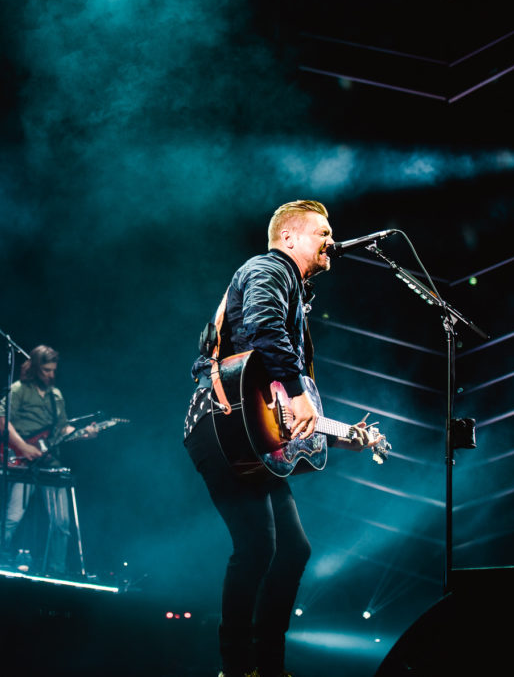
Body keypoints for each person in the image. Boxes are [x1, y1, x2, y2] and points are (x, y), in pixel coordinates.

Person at [183, 200, 380, 677]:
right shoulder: (270, 268)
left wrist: (340, 436)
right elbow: (264, 328)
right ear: (289, 238)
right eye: (323, 232)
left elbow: (283, 415)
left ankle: (267, 666)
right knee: (257, 548)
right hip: (222, 426)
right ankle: (237, 668)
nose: (332, 240)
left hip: (253, 438)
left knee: (292, 550)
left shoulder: (295, 292)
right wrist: (298, 391)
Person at [0, 344, 96, 576]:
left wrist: (83, 433)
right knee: (11, 518)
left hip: (49, 464)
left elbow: (62, 430)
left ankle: (56, 571)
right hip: (21, 460)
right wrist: (23, 447)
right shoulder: (19, 390)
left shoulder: (56, 396)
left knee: (62, 523)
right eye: (46, 370)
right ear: (34, 368)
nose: (51, 375)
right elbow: (2, 421)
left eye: (53, 370)